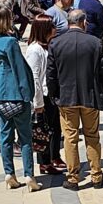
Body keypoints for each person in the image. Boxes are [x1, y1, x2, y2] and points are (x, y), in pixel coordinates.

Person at [47, 9, 103, 190]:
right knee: (92, 136)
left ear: (68, 23)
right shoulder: (95, 43)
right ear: (84, 22)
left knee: (70, 138)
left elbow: (51, 75)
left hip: (66, 98)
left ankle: (73, 177)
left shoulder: (56, 43)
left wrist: (54, 95)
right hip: (89, 97)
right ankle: (96, 176)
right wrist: (100, 91)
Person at [0, 8, 41, 192]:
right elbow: (19, 70)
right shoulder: (11, 42)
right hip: (16, 94)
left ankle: (9, 173)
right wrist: (28, 95)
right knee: (25, 137)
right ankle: (29, 175)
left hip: (0, 95)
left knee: (5, 136)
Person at [26, 15, 64, 176]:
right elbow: (34, 77)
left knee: (55, 128)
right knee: (44, 130)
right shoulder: (35, 50)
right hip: (43, 96)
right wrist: (38, 102)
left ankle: (54, 156)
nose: (55, 29)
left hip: (51, 94)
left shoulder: (48, 46)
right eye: (52, 26)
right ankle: (44, 162)